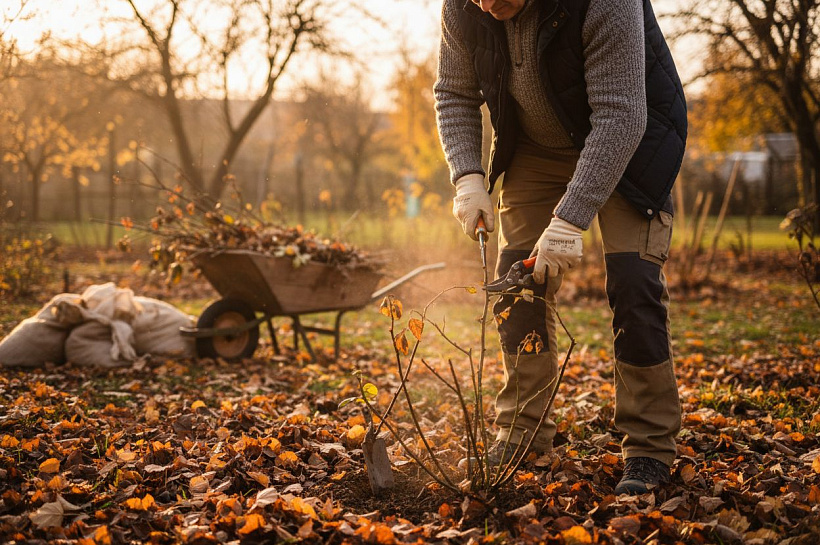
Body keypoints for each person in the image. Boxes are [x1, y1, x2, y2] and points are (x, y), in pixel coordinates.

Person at [434, 0, 687, 495]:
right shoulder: (462, 7)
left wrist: (570, 220)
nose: (486, 4)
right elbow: (454, 94)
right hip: (535, 149)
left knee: (634, 284)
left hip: (627, 145)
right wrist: (467, 177)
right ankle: (523, 433)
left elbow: (621, 114)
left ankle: (649, 448)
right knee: (516, 284)